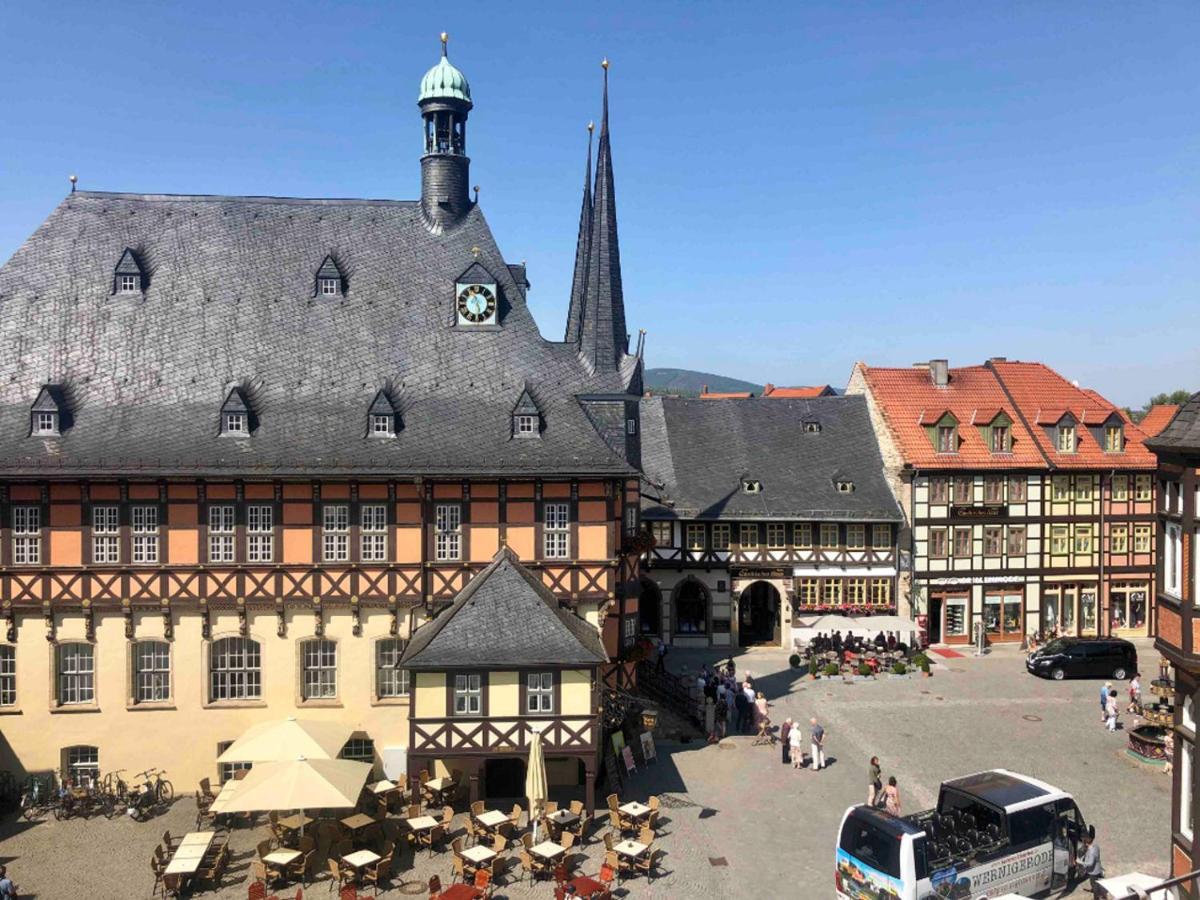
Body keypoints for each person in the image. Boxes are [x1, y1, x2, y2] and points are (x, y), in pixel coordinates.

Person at [1076, 830, 1103, 894]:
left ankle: (1096, 896)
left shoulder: (1091, 851)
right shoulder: (1095, 846)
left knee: (1094, 884)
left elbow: (1090, 863)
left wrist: (1080, 862)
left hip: (1094, 872)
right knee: (1094, 883)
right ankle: (1096, 890)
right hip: (1097, 869)